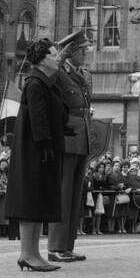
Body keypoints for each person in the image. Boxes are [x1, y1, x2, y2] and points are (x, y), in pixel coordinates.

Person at [8, 38, 66, 270]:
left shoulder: (44, 82)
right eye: (53, 54)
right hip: (35, 151)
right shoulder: (35, 83)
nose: (57, 57)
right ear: (41, 60)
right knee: (30, 202)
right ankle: (26, 254)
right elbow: (38, 119)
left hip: (42, 148)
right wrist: (46, 146)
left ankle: (33, 253)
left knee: (38, 202)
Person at [47, 30, 94, 263]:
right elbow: (46, 75)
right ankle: (55, 246)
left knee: (75, 196)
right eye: (82, 50)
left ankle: (66, 245)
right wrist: (60, 57)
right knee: (63, 195)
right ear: (71, 52)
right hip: (67, 137)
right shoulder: (60, 71)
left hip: (82, 136)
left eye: (86, 49)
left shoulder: (80, 74)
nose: (86, 53)